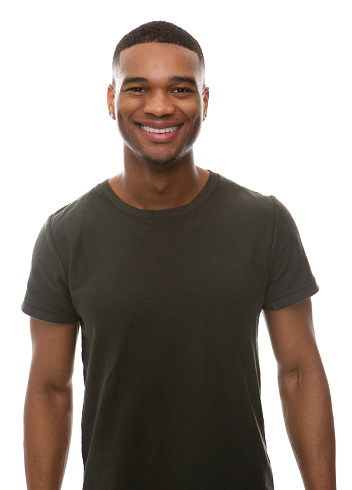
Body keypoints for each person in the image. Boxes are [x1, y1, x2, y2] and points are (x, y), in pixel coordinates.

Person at [22, 20, 336, 490]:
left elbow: (299, 373)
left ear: (205, 102)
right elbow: (49, 390)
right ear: (111, 100)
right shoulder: (65, 235)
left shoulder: (265, 222)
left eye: (181, 89)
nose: (160, 106)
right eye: (139, 88)